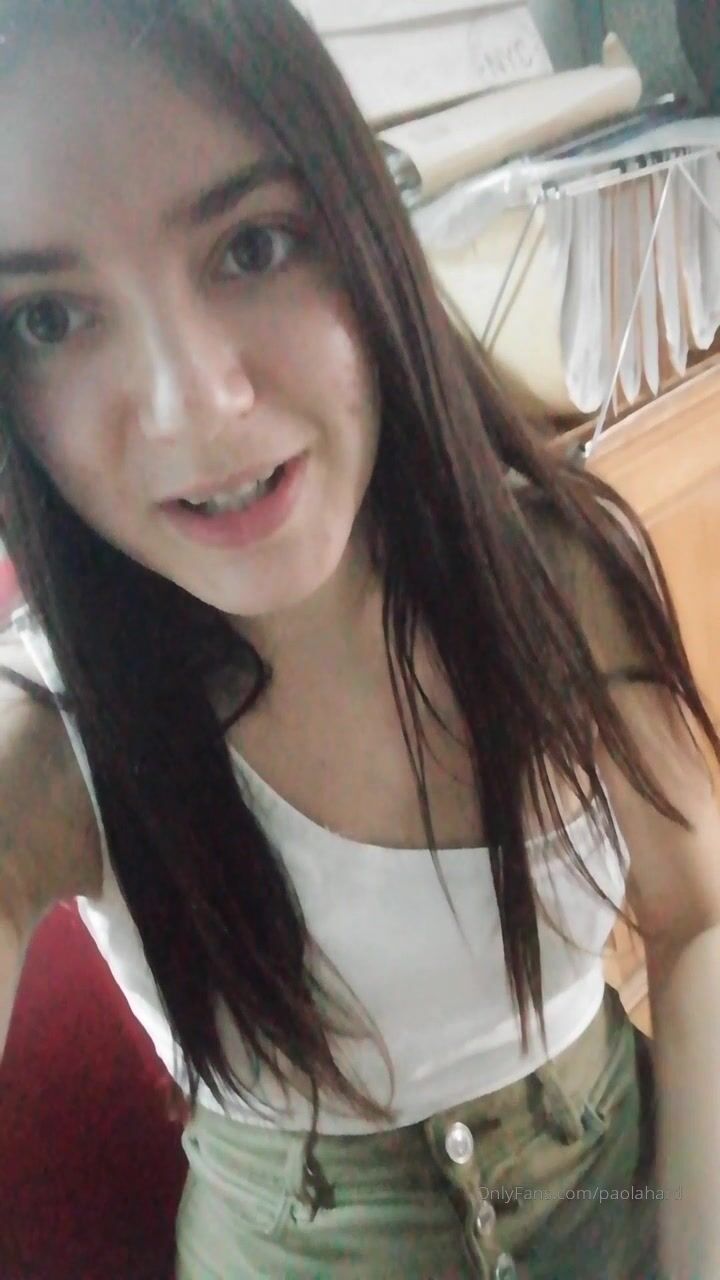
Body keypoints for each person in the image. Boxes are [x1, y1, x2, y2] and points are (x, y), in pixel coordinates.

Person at [1, 3, 720, 1277]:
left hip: (619, 1187)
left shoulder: (558, 569)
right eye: (50, 319)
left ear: (362, 230)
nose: (194, 406)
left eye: (253, 244)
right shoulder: (49, 743)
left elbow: (699, 917)